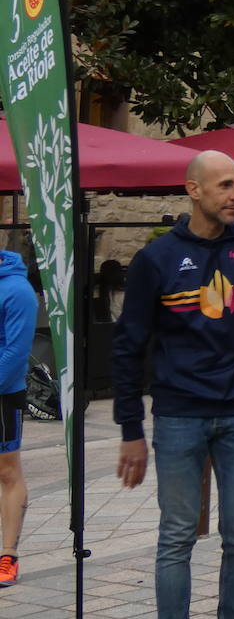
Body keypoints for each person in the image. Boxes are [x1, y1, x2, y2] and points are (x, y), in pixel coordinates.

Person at [111, 150, 234, 619]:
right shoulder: (157, 259)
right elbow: (128, 346)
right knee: (176, 536)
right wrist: (130, 429)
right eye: (226, 185)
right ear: (194, 190)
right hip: (179, 415)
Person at [0, 250, 37, 588]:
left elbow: (16, 351)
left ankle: (7, 556)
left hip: (2, 392)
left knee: (7, 471)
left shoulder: (16, 289)